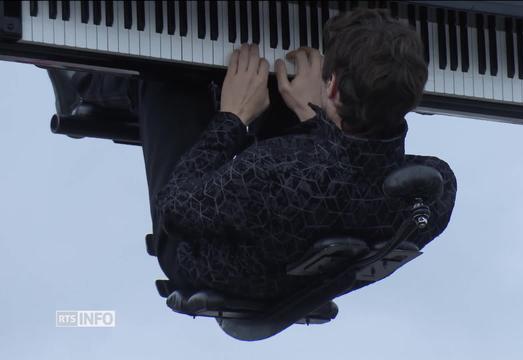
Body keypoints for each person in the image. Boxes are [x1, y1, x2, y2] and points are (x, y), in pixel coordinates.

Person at [50, 9, 457, 301]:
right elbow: (341, 183)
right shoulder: (431, 187)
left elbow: (175, 206)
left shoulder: (272, 171)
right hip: (294, 258)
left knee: (170, 75)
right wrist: (313, 120)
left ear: (331, 89)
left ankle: (83, 86)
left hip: (212, 259)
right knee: (278, 91)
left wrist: (233, 117)